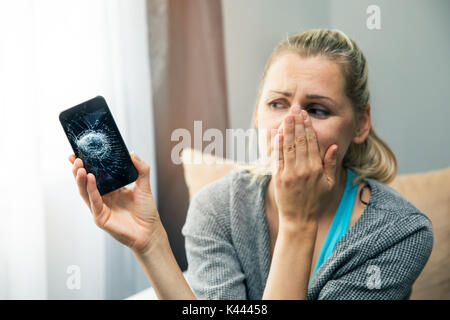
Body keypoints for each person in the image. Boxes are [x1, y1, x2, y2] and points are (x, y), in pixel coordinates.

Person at [69, 29, 433, 300]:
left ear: (361, 123)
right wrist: (150, 244)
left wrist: (297, 222)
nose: (291, 125)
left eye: (317, 110)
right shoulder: (218, 207)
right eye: (277, 104)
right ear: (257, 112)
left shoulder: (400, 232)